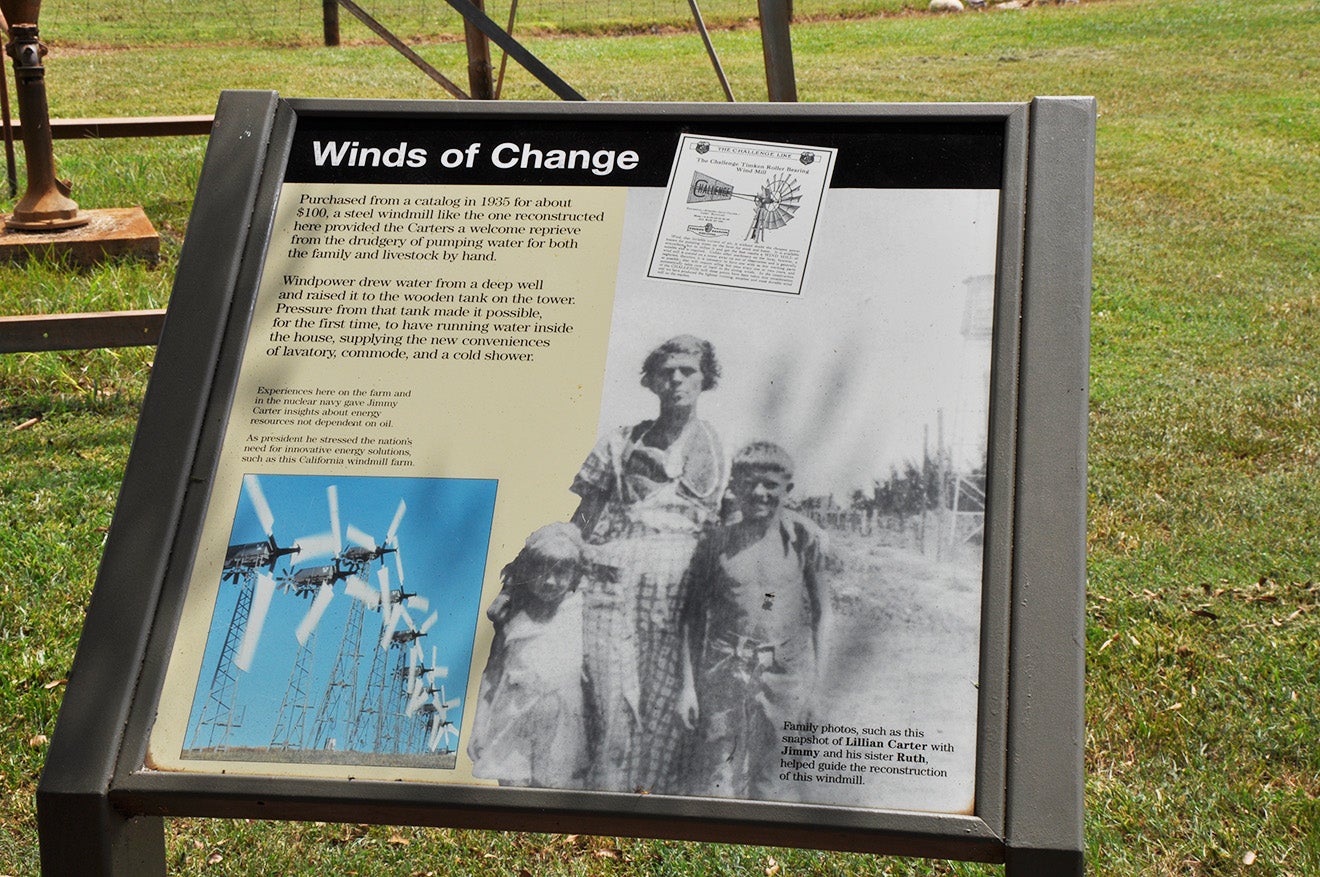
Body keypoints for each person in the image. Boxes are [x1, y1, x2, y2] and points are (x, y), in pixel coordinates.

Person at [569, 334, 726, 793]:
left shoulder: (721, 452)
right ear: (651, 381)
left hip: (680, 601)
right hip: (611, 592)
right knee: (611, 703)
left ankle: (646, 814)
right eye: (666, 371)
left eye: (687, 371)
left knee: (667, 710)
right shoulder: (619, 444)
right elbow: (582, 520)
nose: (676, 380)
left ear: (705, 379)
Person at [678, 441, 832, 800]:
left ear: (787, 490)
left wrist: (817, 689)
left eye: (770, 485)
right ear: (733, 485)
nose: (759, 493)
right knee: (718, 779)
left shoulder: (802, 542)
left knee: (773, 781)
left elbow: (824, 613)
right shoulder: (714, 544)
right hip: (724, 670)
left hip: (784, 673)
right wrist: (688, 686)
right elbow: (691, 617)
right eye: (749, 483)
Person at [468, 523, 587, 788]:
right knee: (515, 794)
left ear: (575, 574)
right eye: (540, 571)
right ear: (526, 570)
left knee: (554, 791)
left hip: (562, 726)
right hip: (512, 724)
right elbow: (493, 673)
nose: (549, 581)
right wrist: (479, 725)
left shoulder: (580, 613)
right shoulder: (512, 617)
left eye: (561, 572)